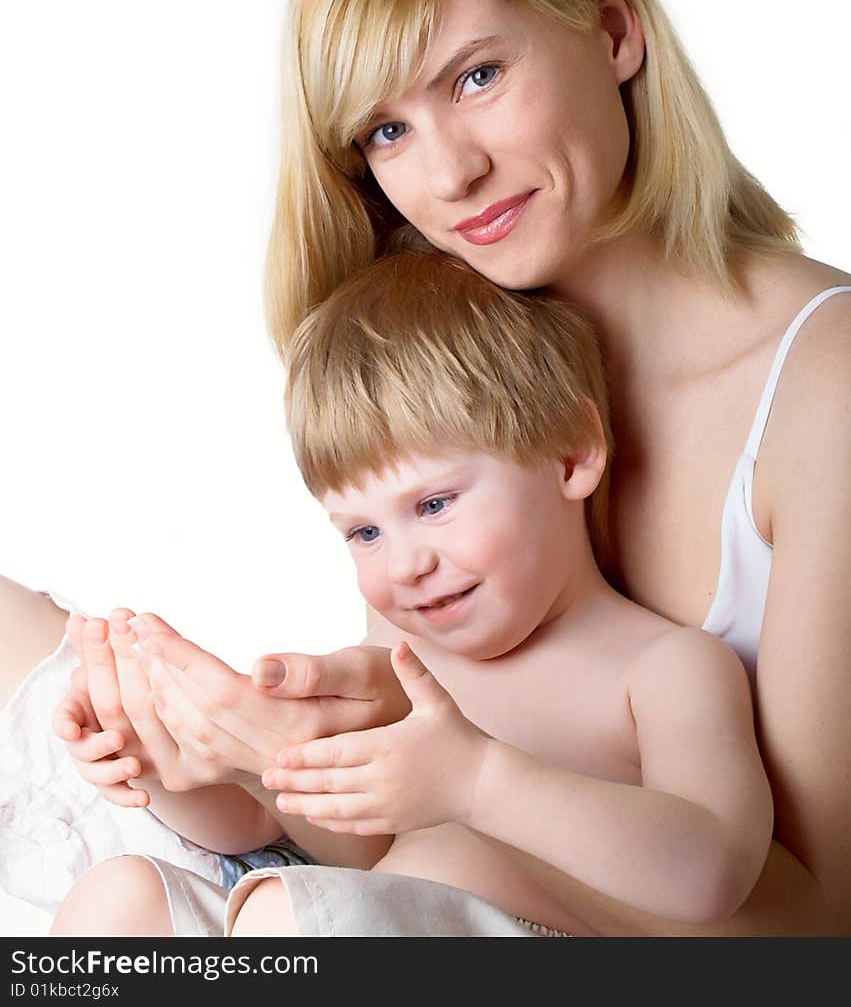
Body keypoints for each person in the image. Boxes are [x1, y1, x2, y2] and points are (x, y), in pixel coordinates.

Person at [7, 0, 851, 935]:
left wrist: (461, 819)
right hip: (387, 885)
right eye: (386, 129)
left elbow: (836, 930)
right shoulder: (450, 353)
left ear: (613, 30)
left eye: (477, 76)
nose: (450, 173)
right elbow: (378, 802)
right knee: (70, 734)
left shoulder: (836, 380)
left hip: (563, 927)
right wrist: (235, 752)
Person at [51, 251, 773, 938]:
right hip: (369, 928)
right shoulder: (393, 662)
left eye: (433, 505)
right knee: (124, 899)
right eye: (364, 532)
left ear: (571, 454)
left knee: (316, 907)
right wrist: (196, 761)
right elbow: (344, 855)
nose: (404, 565)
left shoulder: (663, 668)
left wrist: (479, 781)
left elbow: (711, 874)